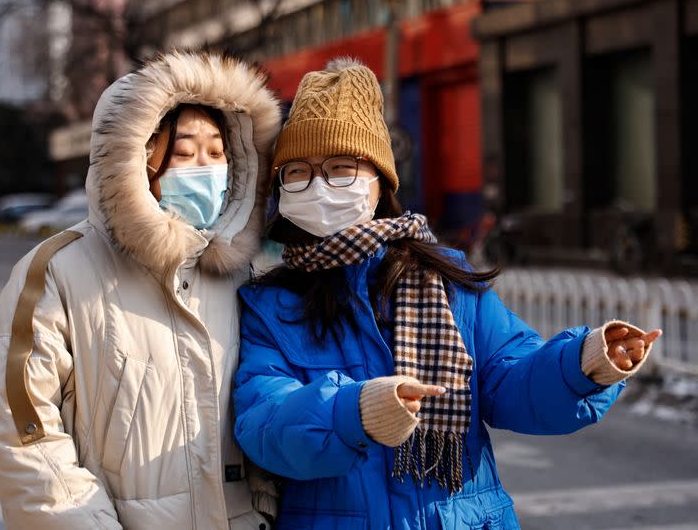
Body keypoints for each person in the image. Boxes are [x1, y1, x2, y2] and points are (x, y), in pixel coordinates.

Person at [232, 58, 663, 529]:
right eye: (297, 173)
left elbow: (510, 382)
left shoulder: (446, 278)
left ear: (379, 182)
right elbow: (264, 424)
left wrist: (581, 365)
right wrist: (351, 413)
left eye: (339, 168)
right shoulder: (268, 303)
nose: (318, 187)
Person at [0, 51, 281, 529]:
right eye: (185, 151)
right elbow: (12, 420)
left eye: (218, 152)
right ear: (138, 156)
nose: (206, 166)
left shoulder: (243, 274)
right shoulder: (60, 270)